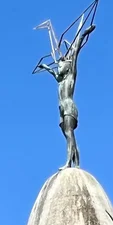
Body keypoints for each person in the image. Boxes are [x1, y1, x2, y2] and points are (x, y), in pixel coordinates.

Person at [33, 15, 95, 168]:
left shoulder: (70, 76)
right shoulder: (61, 79)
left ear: (67, 67)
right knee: (68, 136)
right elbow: (54, 74)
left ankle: (70, 162)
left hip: (69, 106)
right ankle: (75, 160)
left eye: (61, 65)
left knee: (69, 134)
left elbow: (75, 53)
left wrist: (83, 34)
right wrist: (46, 68)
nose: (58, 67)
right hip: (61, 108)